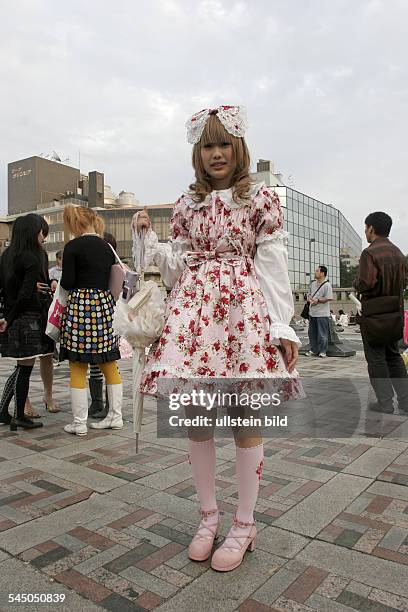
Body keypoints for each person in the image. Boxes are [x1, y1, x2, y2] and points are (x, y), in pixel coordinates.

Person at [132, 105, 301, 572]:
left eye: (224, 143)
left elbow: (272, 264)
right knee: (197, 416)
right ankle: (208, 517)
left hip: (243, 315)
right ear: (197, 152)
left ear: (239, 146)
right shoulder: (187, 205)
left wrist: (281, 324)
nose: (217, 153)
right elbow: (177, 267)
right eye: (208, 145)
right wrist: (148, 242)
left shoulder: (259, 199)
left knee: (247, 415)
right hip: (194, 317)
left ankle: (244, 524)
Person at [59, 205, 123, 435]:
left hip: (80, 306)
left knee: (77, 365)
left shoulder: (73, 246)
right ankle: (116, 416)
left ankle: (79, 424)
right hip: (104, 305)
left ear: (75, 224)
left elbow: (67, 281)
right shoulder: (106, 246)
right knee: (109, 363)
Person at [0, 215, 55, 429]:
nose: (43, 237)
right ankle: (18, 416)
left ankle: (5, 411)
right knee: (24, 369)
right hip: (28, 319)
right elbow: (24, 295)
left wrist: (6, 317)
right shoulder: (32, 258)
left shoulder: (6, 256)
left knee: (19, 367)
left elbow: (6, 290)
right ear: (33, 232)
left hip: (13, 319)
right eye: (41, 232)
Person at [353, 212, 408, 414]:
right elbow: (403, 282)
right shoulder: (398, 253)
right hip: (394, 314)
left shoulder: (370, 253)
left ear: (371, 228)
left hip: (374, 316)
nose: (365, 232)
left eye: (365, 228)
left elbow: (366, 282)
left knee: (376, 359)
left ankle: (385, 403)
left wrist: (355, 283)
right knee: (394, 356)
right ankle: (406, 401)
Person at [24, 215, 60, 418]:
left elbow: (45, 277)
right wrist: (29, 287)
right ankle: (25, 401)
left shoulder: (42, 254)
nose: (44, 238)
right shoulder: (15, 255)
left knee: (47, 355)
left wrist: (51, 282)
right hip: (27, 310)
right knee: (26, 358)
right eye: (42, 233)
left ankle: (48, 396)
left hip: (43, 308)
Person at [88, 232, 118, 419]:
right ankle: (97, 403)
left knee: (106, 362)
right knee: (95, 362)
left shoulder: (116, 268)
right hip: (100, 318)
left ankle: (107, 405)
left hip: (109, 319)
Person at [305, 265, 333, 358]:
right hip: (312, 312)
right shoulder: (312, 284)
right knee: (311, 333)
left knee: (322, 334)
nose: (315, 272)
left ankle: (323, 351)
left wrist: (318, 300)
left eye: (317, 271)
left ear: (322, 273)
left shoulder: (327, 285)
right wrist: (309, 299)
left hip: (322, 314)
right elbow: (308, 294)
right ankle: (313, 350)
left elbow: (329, 297)